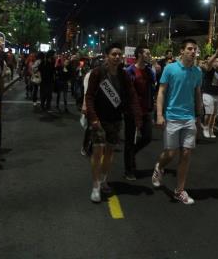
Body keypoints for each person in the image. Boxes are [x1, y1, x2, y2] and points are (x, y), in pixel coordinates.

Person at [85, 43, 142, 203]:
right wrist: (93, 118)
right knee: (98, 153)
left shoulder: (123, 75)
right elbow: (89, 97)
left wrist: (137, 116)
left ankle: (104, 180)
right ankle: (95, 186)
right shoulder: (98, 73)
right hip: (99, 120)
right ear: (107, 56)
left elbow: (131, 96)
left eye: (119, 54)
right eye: (114, 54)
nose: (117, 57)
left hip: (116, 119)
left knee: (109, 153)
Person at [152, 39, 202, 205]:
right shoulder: (170, 68)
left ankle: (179, 191)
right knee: (170, 153)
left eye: (195, 49)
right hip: (172, 116)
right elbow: (161, 92)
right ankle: (159, 166)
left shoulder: (197, 71)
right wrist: (159, 115)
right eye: (189, 49)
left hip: (189, 118)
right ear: (182, 51)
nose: (193, 52)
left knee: (186, 153)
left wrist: (199, 116)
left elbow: (197, 94)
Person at [123, 45, 155, 181]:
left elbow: (153, 87)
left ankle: (132, 153)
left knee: (147, 137)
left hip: (145, 109)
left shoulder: (149, 71)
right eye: (147, 53)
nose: (150, 55)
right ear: (140, 55)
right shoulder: (129, 71)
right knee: (129, 140)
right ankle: (128, 170)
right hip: (131, 110)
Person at [201, 48, 218, 138]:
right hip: (208, 93)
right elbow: (209, 63)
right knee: (208, 113)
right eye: (217, 61)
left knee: (214, 114)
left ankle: (211, 129)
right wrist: (215, 54)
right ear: (214, 62)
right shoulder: (210, 69)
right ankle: (205, 128)